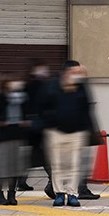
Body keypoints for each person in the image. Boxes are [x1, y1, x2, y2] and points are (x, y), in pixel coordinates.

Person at [41, 62, 95, 207]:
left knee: (74, 165)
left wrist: (86, 129)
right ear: (66, 72)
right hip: (56, 132)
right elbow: (45, 107)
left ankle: (72, 194)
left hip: (77, 132)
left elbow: (86, 108)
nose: (78, 75)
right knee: (58, 165)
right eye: (74, 72)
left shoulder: (81, 87)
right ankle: (59, 193)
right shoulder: (53, 85)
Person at [0, 76, 32, 206]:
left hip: (18, 137)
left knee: (15, 168)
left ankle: (12, 195)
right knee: (3, 168)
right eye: (12, 82)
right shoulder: (1, 97)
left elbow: (29, 112)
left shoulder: (22, 98)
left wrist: (26, 121)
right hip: (4, 138)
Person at [25, 60, 58, 199]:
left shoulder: (40, 85)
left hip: (37, 128)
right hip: (37, 128)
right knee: (44, 158)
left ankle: (20, 181)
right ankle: (52, 184)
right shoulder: (34, 86)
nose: (43, 72)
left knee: (36, 157)